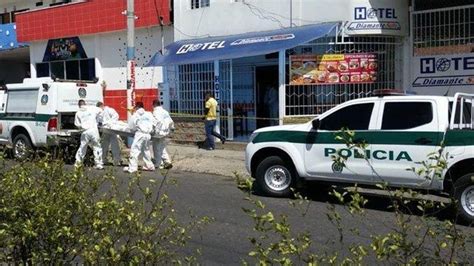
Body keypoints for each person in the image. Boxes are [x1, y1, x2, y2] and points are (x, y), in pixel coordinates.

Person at [123, 102, 155, 173]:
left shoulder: (135, 115)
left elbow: (131, 127)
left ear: (136, 107)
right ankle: (149, 166)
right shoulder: (149, 114)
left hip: (140, 134)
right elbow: (154, 123)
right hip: (148, 135)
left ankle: (132, 168)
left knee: (134, 150)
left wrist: (134, 129)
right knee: (146, 150)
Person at [74, 100, 103, 169]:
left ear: (79, 105)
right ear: (85, 104)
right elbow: (101, 110)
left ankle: (78, 162)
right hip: (94, 130)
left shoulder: (78, 113)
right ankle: (98, 163)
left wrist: (82, 127)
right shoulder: (92, 108)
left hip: (85, 132)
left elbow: (77, 124)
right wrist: (98, 119)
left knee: (83, 147)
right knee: (97, 146)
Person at [151, 99, 173, 169]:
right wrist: (171, 128)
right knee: (162, 147)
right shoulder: (165, 111)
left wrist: (153, 131)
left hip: (159, 133)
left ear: (154, 105)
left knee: (156, 147)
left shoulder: (156, 112)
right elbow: (170, 121)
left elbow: (157, 122)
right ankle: (167, 161)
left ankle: (158, 163)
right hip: (165, 132)